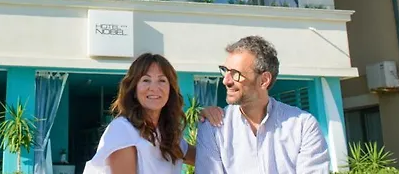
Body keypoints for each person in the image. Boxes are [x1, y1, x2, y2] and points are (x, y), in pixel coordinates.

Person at [195, 36, 330, 174]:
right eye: (225, 70)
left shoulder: (303, 126)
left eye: (235, 74)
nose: (226, 81)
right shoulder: (213, 127)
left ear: (264, 80)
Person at [83, 53, 224, 174]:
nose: (154, 88)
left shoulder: (168, 134)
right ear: (134, 89)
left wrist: (206, 115)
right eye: (146, 80)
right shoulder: (122, 130)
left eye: (162, 80)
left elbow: (206, 157)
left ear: (170, 90)